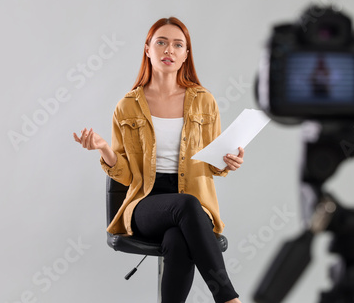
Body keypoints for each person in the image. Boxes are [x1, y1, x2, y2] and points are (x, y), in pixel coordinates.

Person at [73, 17, 243, 303]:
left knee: (178, 240)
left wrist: (228, 161)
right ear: (147, 49)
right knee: (187, 205)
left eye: (178, 45)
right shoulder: (127, 105)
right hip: (146, 202)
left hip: (190, 202)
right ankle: (229, 299)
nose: (169, 50)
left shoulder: (204, 101)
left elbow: (214, 164)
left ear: (186, 54)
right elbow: (126, 175)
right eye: (161, 42)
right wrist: (104, 148)